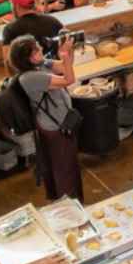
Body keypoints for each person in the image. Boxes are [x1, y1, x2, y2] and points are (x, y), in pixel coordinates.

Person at [10, 35, 83, 200]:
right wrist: (64, 56)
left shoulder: (41, 64)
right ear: (28, 58)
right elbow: (69, 79)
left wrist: (67, 52)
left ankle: (70, 199)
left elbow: (65, 68)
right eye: (36, 49)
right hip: (54, 126)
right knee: (63, 168)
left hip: (59, 120)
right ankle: (68, 205)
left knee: (67, 163)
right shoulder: (30, 77)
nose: (41, 48)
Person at [0, 0, 62, 65]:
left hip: (29, 75)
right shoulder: (52, 20)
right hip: (57, 72)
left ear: (17, 6)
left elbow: (8, 61)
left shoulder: (10, 29)